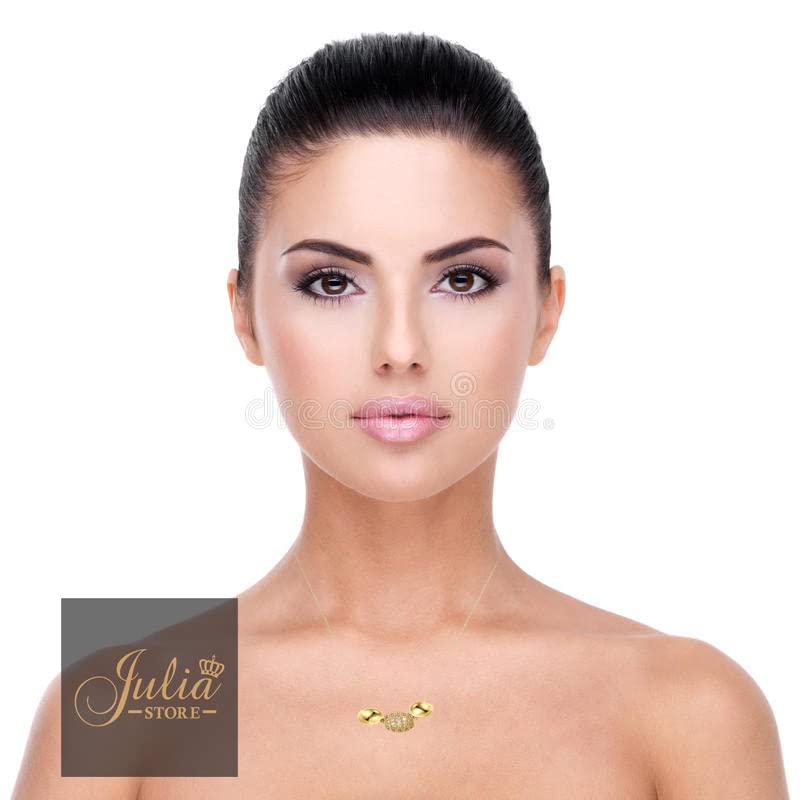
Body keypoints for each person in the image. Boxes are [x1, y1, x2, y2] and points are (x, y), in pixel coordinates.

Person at [13, 31, 789, 799]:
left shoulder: (680, 707)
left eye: (462, 279)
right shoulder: (133, 710)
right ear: (244, 315)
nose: (399, 348)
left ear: (546, 312)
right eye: (331, 282)